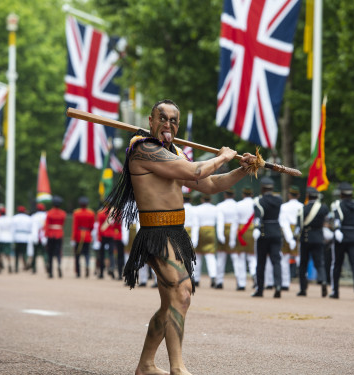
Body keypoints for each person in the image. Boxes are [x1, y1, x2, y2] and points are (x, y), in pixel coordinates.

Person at [104, 99, 257, 375]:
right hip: (156, 234)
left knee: (172, 301)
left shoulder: (172, 152)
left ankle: (146, 365)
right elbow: (194, 171)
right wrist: (223, 156)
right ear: (151, 122)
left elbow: (209, 184)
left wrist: (241, 169)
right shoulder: (144, 149)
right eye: (162, 118)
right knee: (183, 294)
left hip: (176, 233)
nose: (168, 124)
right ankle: (178, 368)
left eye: (174, 120)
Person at [330, 182, 354, 300]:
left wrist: (337, 229)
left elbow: (337, 220)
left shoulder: (337, 205)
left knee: (337, 265)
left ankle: (335, 291)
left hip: (342, 236)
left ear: (341, 194)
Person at [251, 177, 283, 298]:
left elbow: (258, 218)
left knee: (261, 263)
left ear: (262, 188)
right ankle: (278, 285)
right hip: (276, 232)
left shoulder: (259, 201)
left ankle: (260, 289)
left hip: (264, 233)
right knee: (276, 261)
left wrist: (256, 229)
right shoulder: (279, 200)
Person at [296, 187, 329, 297]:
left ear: (307, 196)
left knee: (303, 264)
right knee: (319, 263)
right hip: (318, 238)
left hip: (305, 239)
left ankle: (303, 289)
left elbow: (298, 227)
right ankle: (323, 281)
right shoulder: (323, 208)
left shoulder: (302, 209)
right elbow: (327, 219)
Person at [277, 185, 303, 291]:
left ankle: (285, 283)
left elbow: (283, 222)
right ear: (298, 195)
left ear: (289, 195)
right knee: (300, 259)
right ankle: (303, 283)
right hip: (299, 232)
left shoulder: (284, 207)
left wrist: (289, 238)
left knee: (285, 259)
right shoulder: (302, 206)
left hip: (287, 232)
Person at [193, 194, 218, 288]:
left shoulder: (197, 209)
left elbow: (195, 224)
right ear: (210, 199)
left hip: (200, 231)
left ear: (202, 199)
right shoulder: (215, 208)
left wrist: (194, 240)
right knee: (210, 255)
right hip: (211, 231)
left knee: (198, 256)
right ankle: (213, 276)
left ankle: (196, 279)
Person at [215, 189, 239, 289]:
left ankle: (219, 282)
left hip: (224, 230)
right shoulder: (237, 205)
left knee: (221, 258)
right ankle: (240, 283)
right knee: (236, 258)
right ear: (233, 195)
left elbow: (220, 222)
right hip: (235, 230)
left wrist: (220, 235)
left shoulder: (220, 206)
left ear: (225, 195)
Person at [235, 187, 255, 291]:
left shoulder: (238, 205)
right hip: (252, 230)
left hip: (241, 231)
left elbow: (235, 221)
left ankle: (241, 283)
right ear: (251, 194)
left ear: (243, 194)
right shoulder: (255, 204)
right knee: (252, 257)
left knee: (240, 258)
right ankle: (254, 274)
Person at [71, 196, 95, 278]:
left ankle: (78, 272)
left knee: (77, 254)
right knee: (87, 253)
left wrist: (73, 238)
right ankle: (87, 265)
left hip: (78, 235)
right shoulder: (91, 213)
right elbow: (92, 226)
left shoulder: (76, 213)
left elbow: (75, 226)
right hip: (87, 235)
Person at [44, 196, 66, 278]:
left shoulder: (49, 213)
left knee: (50, 253)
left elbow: (47, 225)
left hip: (50, 234)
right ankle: (59, 265)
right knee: (58, 252)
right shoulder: (63, 213)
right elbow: (62, 224)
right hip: (59, 233)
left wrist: (46, 235)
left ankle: (50, 272)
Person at [12, 206, 33, 272]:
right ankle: (25, 264)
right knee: (24, 252)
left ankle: (16, 267)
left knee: (17, 253)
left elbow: (12, 229)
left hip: (17, 236)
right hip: (25, 236)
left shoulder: (14, 218)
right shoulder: (28, 218)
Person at [0, 207, 13, 274]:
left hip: (1, 238)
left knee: (0, 253)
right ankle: (9, 265)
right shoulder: (10, 220)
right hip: (8, 238)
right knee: (8, 253)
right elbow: (12, 230)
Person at [29, 203, 48, 274]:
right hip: (43, 237)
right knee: (45, 253)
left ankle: (34, 268)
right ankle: (47, 264)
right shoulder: (46, 215)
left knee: (35, 254)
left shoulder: (34, 216)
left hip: (35, 237)